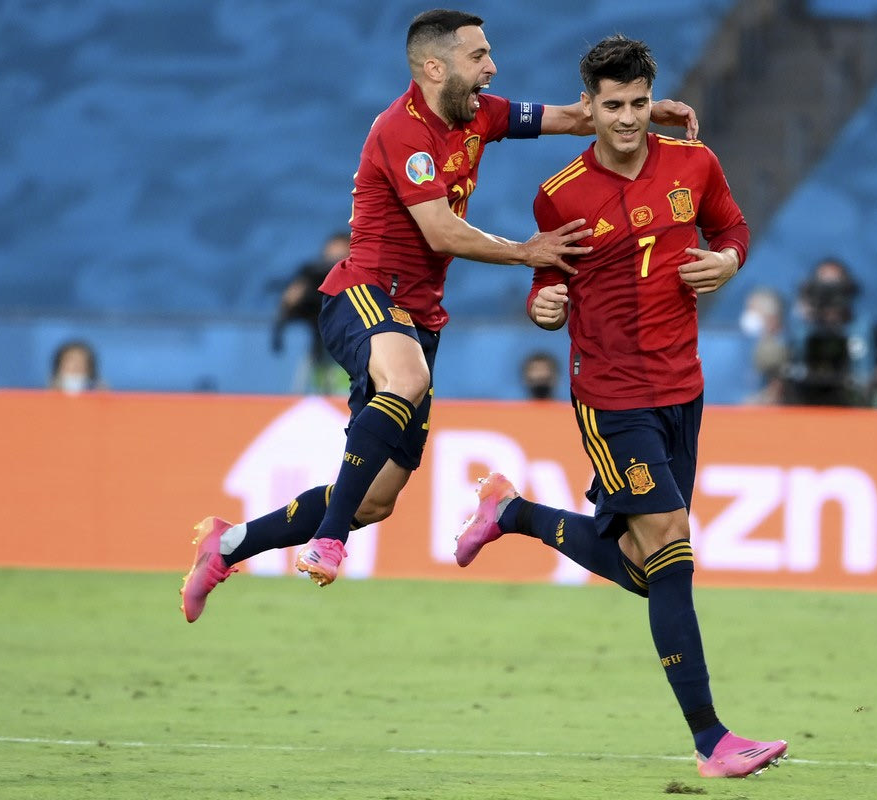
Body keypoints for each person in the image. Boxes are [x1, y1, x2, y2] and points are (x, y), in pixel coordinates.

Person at [180, 9, 700, 621]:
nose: (492, 66)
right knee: (406, 380)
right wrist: (526, 251)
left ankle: (229, 544)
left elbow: (575, 116)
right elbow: (441, 231)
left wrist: (648, 111)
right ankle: (330, 539)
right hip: (365, 292)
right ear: (435, 67)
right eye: (478, 56)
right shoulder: (401, 131)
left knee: (375, 499)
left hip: (419, 319)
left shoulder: (480, 115)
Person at [453, 35, 787, 779]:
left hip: (683, 390)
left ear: (651, 98)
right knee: (672, 549)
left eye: (639, 102)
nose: (629, 118)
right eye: (613, 106)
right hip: (611, 396)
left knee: (646, 566)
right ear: (590, 106)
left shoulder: (695, 165)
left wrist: (728, 261)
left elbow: (732, 227)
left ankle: (513, 513)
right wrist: (544, 305)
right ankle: (712, 740)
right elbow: (546, 281)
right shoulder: (562, 193)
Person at [783, 256, 877, 406]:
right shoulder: (801, 330)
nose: (830, 296)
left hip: (853, 404)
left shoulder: (863, 328)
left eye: (835, 288)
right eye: (824, 289)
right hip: (805, 403)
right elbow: (787, 368)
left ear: (848, 289)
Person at [272, 232, 352, 395]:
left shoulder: (361, 284)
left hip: (353, 358)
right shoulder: (312, 278)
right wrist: (292, 300)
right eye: (329, 255)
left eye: (339, 256)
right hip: (319, 357)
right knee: (312, 405)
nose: (331, 263)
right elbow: (293, 310)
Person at [739, 286, 787, 405]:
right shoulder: (749, 344)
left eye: (754, 311)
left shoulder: (780, 345)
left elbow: (775, 391)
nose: (749, 316)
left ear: (772, 318)